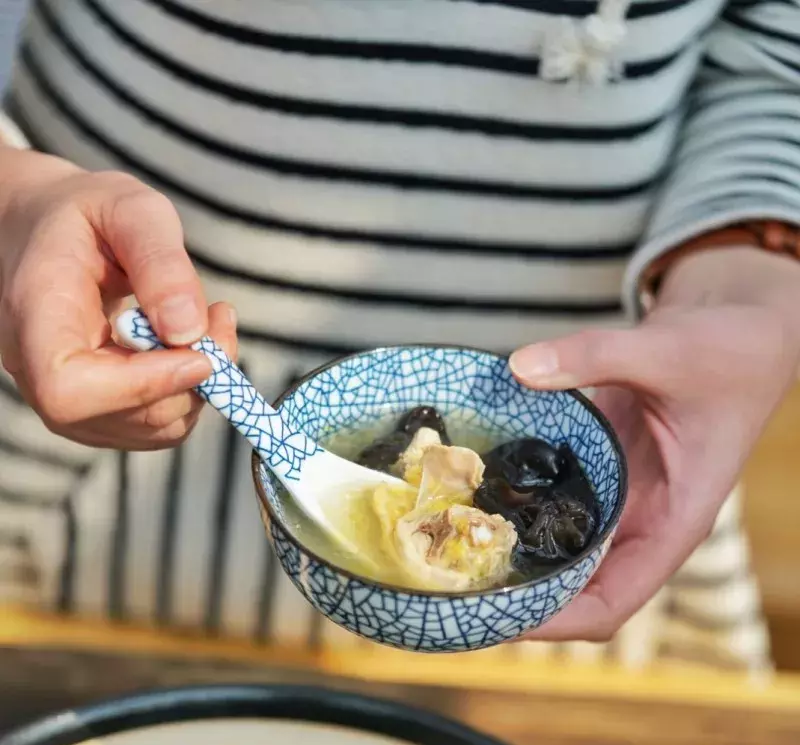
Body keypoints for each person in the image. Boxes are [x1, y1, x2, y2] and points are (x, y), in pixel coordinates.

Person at [0, 0, 797, 670]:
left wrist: (749, 270)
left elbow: (773, 47)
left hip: (616, 456)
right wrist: (11, 205)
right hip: (104, 439)